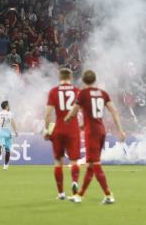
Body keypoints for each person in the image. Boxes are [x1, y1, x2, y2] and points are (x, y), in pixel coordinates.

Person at [68, 69, 126, 204]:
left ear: (83, 80)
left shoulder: (83, 94)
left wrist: (69, 122)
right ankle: (79, 195)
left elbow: (74, 112)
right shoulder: (103, 93)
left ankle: (108, 195)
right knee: (91, 165)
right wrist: (120, 130)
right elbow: (114, 111)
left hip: (91, 133)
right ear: (95, 80)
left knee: (95, 164)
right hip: (101, 131)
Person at [45, 67, 82, 202]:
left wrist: (47, 130)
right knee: (74, 161)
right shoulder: (77, 91)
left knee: (58, 162)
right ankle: (74, 181)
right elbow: (83, 111)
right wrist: (83, 125)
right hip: (73, 128)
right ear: (70, 78)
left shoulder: (54, 92)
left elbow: (48, 114)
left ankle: (61, 193)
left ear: (60, 78)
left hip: (59, 128)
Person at [0, 100, 18, 170]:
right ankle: (5, 165)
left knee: (0, 142)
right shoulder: (10, 114)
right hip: (7, 132)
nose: (9, 106)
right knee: (8, 150)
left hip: (0, 132)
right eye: (9, 105)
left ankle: (0, 146)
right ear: (6, 106)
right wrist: (15, 131)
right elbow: (13, 122)